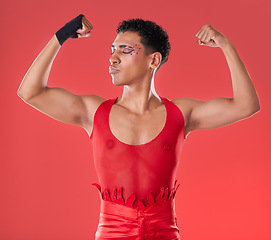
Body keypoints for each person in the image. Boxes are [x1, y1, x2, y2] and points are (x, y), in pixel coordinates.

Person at [17, 14, 260, 240]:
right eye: (112, 50)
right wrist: (62, 35)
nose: (113, 58)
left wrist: (226, 45)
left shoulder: (181, 113)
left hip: (164, 233)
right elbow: (30, 92)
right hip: (111, 233)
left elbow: (246, 105)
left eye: (125, 50)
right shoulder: (93, 112)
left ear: (153, 60)